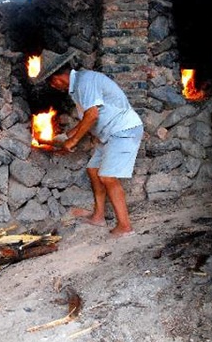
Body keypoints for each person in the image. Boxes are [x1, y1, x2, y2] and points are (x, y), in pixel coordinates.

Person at [31, 49, 144, 238]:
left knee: (108, 177)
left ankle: (125, 227)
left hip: (122, 130)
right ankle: (98, 217)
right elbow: (86, 119)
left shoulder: (85, 82)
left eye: (51, 83)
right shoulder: (78, 87)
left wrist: (74, 140)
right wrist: (65, 137)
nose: (53, 87)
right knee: (93, 170)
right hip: (108, 135)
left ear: (57, 78)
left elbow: (92, 115)